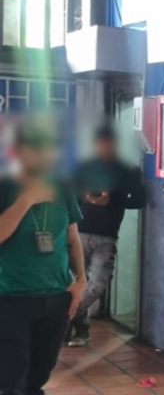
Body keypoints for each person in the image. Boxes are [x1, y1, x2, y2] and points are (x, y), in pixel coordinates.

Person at [0, 119, 87, 394]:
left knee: (39, 374)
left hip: (55, 298)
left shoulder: (62, 186)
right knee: (11, 379)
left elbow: (72, 239)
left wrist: (80, 281)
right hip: (10, 297)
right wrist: (25, 200)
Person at [67, 124, 145, 346]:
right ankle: (80, 329)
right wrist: (84, 197)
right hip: (79, 233)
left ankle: (65, 316)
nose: (105, 149)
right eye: (101, 145)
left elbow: (139, 200)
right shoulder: (83, 168)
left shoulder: (128, 171)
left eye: (108, 145)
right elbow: (68, 195)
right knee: (76, 281)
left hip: (107, 235)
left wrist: (113, 199)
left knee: (98, 283)